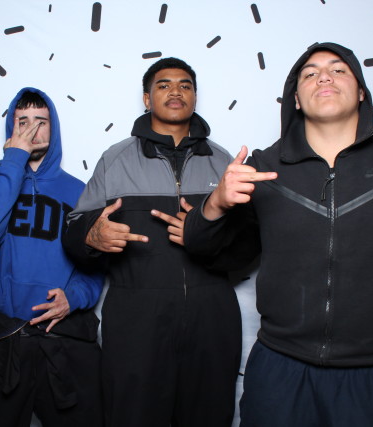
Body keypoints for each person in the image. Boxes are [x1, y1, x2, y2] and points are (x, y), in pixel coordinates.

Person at [183, 42, 373, 427]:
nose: (324, 77)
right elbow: (200, 247)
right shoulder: (263, 166)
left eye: (338, 70)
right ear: (296, 99)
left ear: (361, 92)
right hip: (280, 370)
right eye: (310, 73)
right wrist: (215, 203)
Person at [63, 58, 242, 427]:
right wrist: (91, 234)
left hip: (212, 318)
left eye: (185, 85)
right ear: (147, 99)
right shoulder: (115, 159)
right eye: (164, 85)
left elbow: (246, 242)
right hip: (136, 319)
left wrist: (203, 233)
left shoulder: (224, 160)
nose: (176, 91)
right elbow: (74, 228)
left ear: (195, 97)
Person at [0, 88, 104, 427]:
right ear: (10, 129)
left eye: (41, 121)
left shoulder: (80, 191)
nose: (32, 130)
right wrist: (14, 160)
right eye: (23, 121)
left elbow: (96, 262)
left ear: (53, 128)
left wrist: (74, 298)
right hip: (1, 339)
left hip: (62, 339)